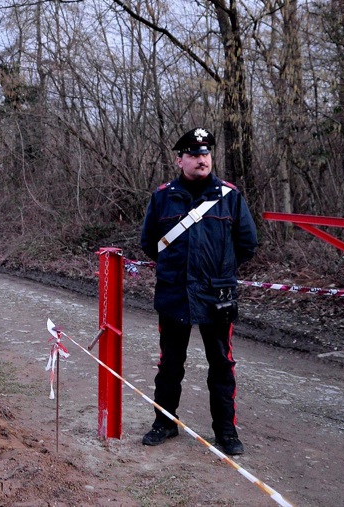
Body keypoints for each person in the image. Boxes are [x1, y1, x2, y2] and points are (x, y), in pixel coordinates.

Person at [138, 127, 259, 455]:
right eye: (193, 154)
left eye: (204, 154)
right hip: (175, 293)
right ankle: (164, 423)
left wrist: (220, 271)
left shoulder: (230, 196)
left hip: (216, 296)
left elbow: (247, 244)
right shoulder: (163, 197)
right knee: (170, 364)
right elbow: (150, 243)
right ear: (179, 160)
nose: (200, 159)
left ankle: (226, 431)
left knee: (221, 365)